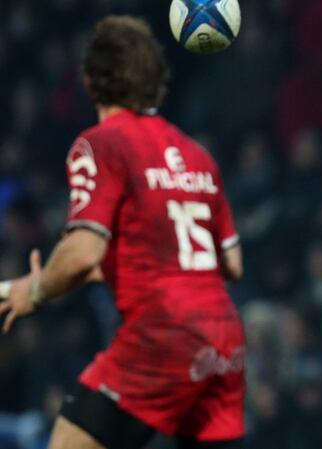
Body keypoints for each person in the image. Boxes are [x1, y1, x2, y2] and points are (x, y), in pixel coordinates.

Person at [0, 16, 245, 449]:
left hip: (160, 335)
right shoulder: (196, 155)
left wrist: (36, 290)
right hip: (221, 340)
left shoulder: (102, 143)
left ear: (91, 82)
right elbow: (230, 263)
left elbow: (81, 252)